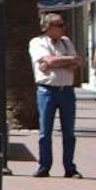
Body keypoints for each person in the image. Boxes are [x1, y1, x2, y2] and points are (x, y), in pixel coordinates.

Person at [29, 11, 83, 178]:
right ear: (48, 27)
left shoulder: (66, 42)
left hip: (66, 91)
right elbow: (49, 61)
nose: (63, 28)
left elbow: (77, 62)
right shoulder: (38, 42)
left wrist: (54, 62)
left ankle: (69, 167)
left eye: (63, 24)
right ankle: (44, 166)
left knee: (69, 132)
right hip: (47, 91)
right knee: (45, 132)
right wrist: (65, 61)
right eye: (59, 25)